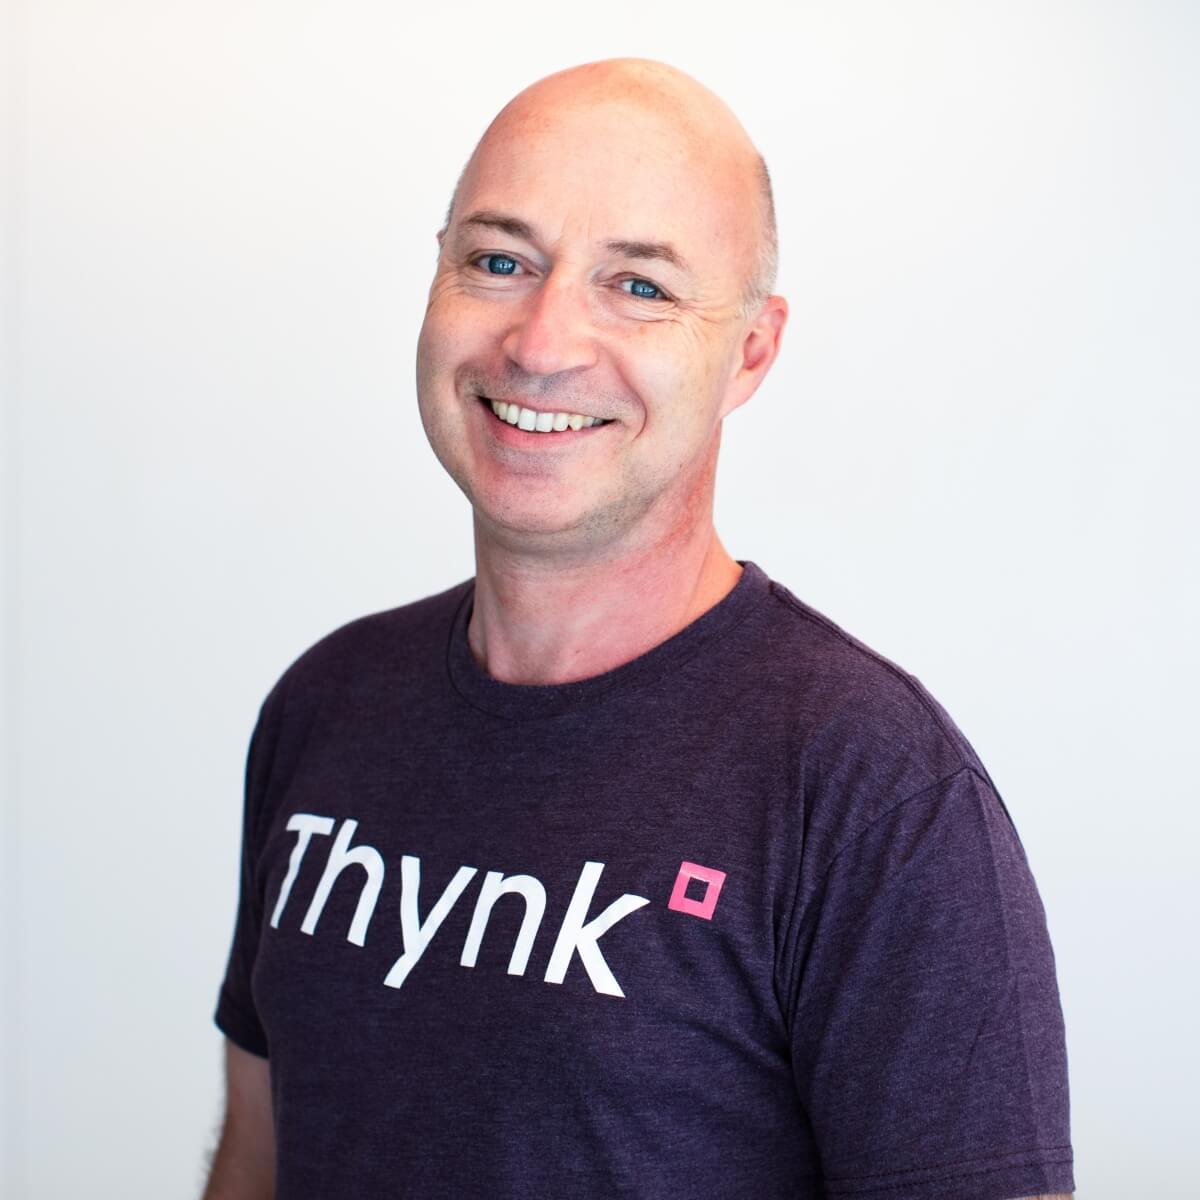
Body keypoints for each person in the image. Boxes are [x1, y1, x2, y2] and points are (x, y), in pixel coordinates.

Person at [202, 58, 1075, 1200]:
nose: (543, 341)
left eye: (642, 287)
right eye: (498, 261)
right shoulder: (327, 705)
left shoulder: (872, 791)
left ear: (751, 351)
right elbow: (255, 1164)